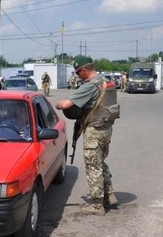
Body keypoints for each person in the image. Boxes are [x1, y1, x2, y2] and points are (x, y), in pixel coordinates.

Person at [55, 59, 119, 215]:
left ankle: (97, 205)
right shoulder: (105, 81)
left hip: (94, 131)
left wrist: (58, 103)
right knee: (100, 162)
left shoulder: (90, 86)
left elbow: (65, 105)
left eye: (78, 72)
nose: (77, 75)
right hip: (106, 128)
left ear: (84, 70)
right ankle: (109, 195)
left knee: (93, 166)